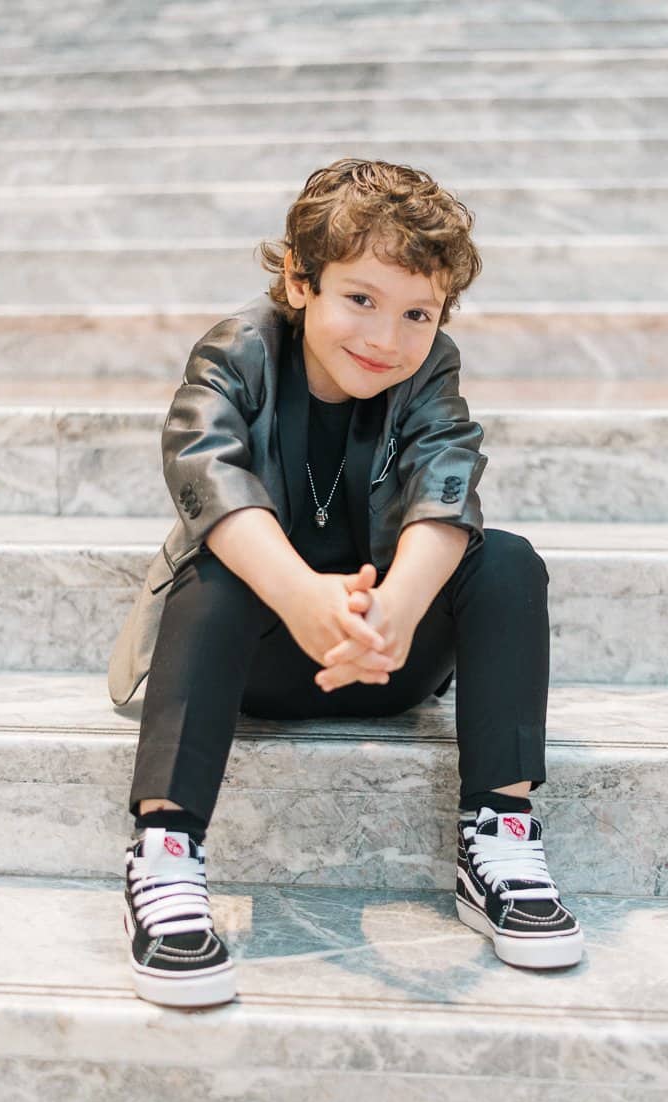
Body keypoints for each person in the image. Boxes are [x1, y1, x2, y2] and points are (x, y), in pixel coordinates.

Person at [109, 158, 584, 1009]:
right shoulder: (239, 350)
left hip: (387, 659)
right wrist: (302, 596)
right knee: (213, 572)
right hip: (256, 659)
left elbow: (449, 487)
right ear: (299, 280)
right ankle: (166, 849)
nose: (386, 337)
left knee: (506, 557)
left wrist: (393, 614)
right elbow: (204, 477)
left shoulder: (428, 369)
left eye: (416, 313)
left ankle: (500, 836)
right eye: (358, 298)